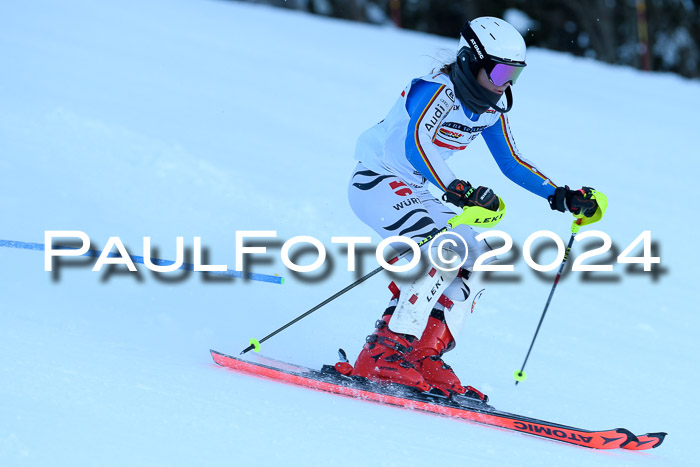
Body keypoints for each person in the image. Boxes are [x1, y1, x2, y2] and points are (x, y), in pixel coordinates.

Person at [340, 17, 601, 399]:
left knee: (480, 257)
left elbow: (511, 161)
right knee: (444, 251)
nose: (505, 83)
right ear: (471, 61)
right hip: (377, 182)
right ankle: (385, 352)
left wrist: (559, 195)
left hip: (414, 189)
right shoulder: (434, 90)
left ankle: (422, 352)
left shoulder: (492, 107)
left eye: (514, 75)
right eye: (498, 71)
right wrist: (457, 188)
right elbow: (417, 145)